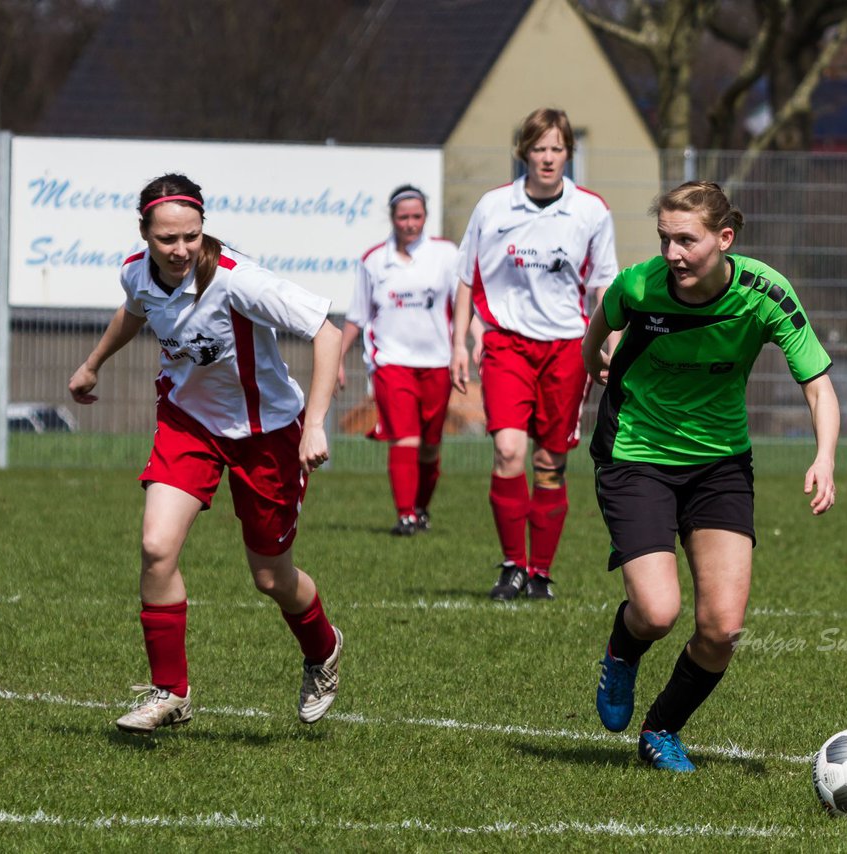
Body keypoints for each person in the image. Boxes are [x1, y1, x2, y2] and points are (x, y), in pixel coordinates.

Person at [67, 173, 345, 734]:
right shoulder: (135, 271)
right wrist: (93, 362)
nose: (180, 250)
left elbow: (327, 332)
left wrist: (314, 425)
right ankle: (170, 691)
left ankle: (323, 649)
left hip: (267, 434)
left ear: (203, 230)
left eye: (190, 237)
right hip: (188, 422)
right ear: (144, 233)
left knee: (270, 576)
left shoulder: (237, 280)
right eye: (167, 238)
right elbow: (135, 309)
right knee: (155, 546)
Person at [582, 181, 839, 771]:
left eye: (687, 241)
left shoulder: (763, 293)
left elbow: (818, 385)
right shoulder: (638, 287)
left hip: (721, 462)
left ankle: (662, 729)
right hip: (636, 453)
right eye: (665, 239)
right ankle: (623, 652)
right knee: (657, 612)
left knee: (722, 628)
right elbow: (594, 336)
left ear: (724, 239)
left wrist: (824, 456)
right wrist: (599, 358)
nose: (672, 254)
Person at [450, 107, 618, 601]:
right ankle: (512, 565)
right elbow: (466, 277)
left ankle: (541, 572)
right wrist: (461, 344)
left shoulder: (591, 211)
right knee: (508, 451)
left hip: (567, 347)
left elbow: (604, 287)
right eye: (539, 148)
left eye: (557, 149)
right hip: (506, 344)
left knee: (550, 461)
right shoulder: (493, 206)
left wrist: (611, 345)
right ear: (523, 152)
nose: (548, 158)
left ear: (569, 153)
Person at [339, 185, 458, 536]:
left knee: (430, 445)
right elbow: (357, 316)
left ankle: (420, 509)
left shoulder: (446, 255)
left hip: (438, 361)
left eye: (416, 216)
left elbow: (466, 304)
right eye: (403, 217)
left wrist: (475, 342)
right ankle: (405, 514)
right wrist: (338, 360)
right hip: (391, 362)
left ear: (425, 217)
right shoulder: (374, 260)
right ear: (392, 219)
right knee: (405, 438)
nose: (410, 224)